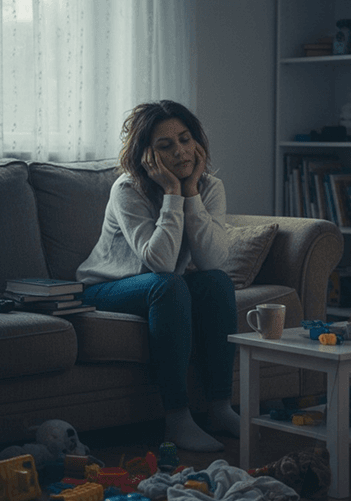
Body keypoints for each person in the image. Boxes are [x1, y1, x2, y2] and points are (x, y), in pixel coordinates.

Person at [77, 100, 240, 452]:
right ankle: (177, 419)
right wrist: (171, 193)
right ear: (146, 155)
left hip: (161, 287)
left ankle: (219, 407)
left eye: (184, 139)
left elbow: (212, 260)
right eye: (165, 146)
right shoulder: (127, 189)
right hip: (104, 288)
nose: (180, 152)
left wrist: (191, 191)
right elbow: (161, 263)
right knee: (169, 285)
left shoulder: (210, 187)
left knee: (216, 283)